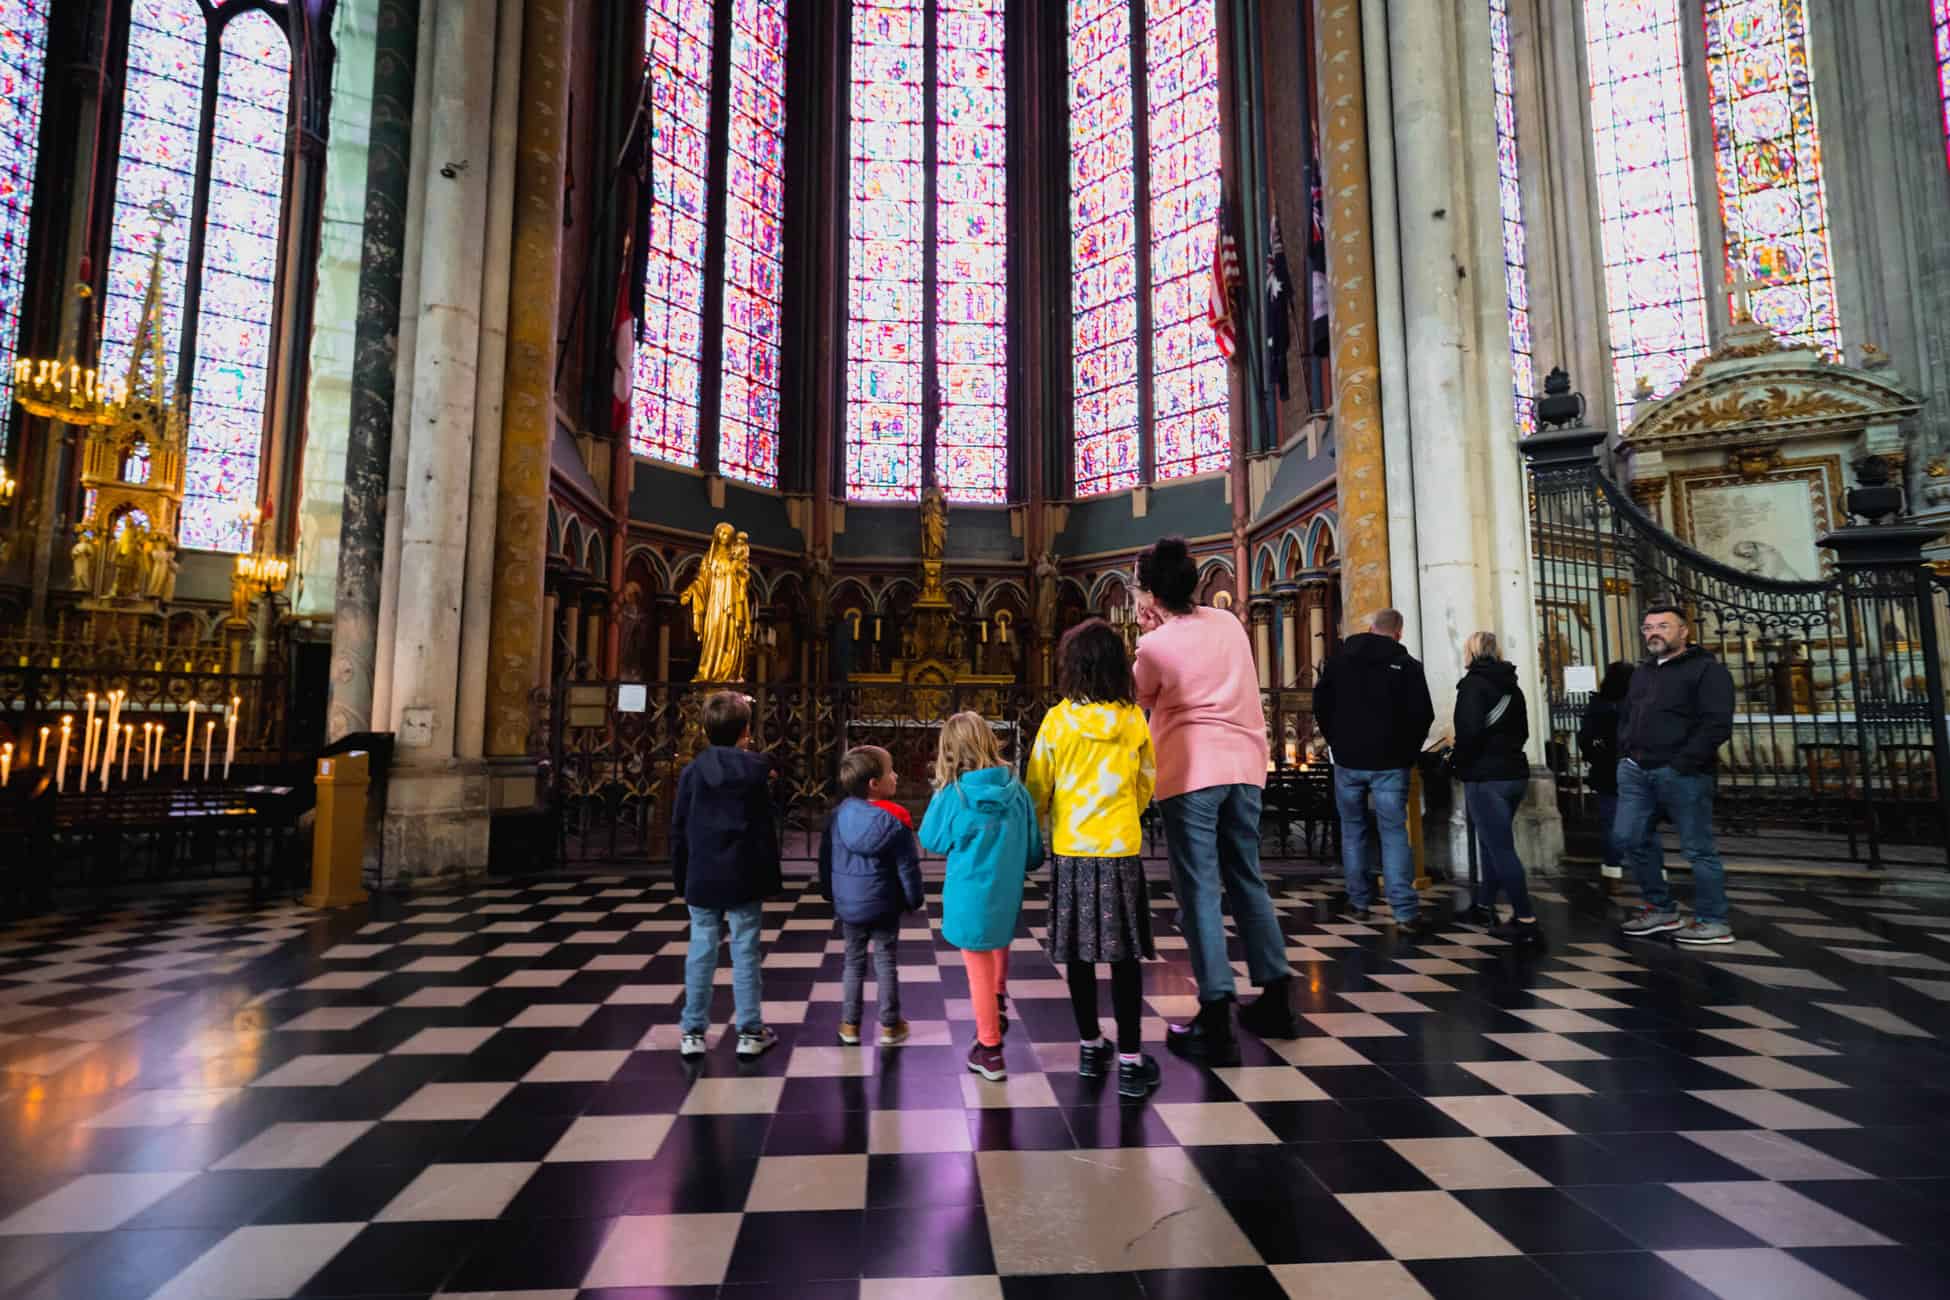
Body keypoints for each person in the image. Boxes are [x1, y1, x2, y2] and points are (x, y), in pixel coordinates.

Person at [1132, 537, 1294, 1068]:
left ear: (1151, 592)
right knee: (1247, 878)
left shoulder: (1154, 649)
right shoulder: (1229, 625)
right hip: (1246, 769)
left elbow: (1137, 697)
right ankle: (1276, 997)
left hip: (1192, 774)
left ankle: (1216, 1010)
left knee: (1200, 890)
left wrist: (1149, 635)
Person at [1026, 619, 1162, 1099]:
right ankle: (1129, 1060)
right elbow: (1147, 780)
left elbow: (1037, 786)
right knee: (1125, 957)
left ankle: (1089, 1045)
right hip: (1120, 849)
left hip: (1073, 851)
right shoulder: (1131, 720)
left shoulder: (1058, 721)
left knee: (1080, 956)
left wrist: (1045, 819)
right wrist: (1126, 813)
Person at [919, 711, 1041, 1082]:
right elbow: (1035, 848)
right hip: (1006, 889)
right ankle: (999, 998)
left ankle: (989, 1049)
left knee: (976, 966)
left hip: (969, 893)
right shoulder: (1016, 789)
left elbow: (931, 839)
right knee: (999, 940)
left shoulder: (953, 793)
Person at [1616, 603, 1736, 945]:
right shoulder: (1643, 672)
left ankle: (1714, 920)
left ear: (1684, 631)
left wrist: (1683, 762)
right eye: (1648, 627)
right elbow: (1627, 715)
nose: (1654, 632)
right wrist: (1624, 754)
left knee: (1698, 848)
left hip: (1682, 772)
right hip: (1636, 771)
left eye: (1663, 626)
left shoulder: (1706, 671)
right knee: (1630, 838)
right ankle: (1661, 909)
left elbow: (1716, 724)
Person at [670, 691, 780, 1059]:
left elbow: (679, 827)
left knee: (701, 949)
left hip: (702, 873)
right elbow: (765, 829)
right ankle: (749, 1031)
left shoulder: (692, 772)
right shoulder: (757, 773)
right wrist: (770, 877)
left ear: (704, 729)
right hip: (744, 873)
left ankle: (692, 1032)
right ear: (747, 730)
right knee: (746, 951)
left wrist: (680, 875)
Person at [1314, 609, 1436, 931]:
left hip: (1348, 761)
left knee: (1353, 831)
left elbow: (1321, 705)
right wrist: (1406, 752)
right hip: (1390, 763)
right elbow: (1423, 714)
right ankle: (1404, 911)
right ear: (1399, 633)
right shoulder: (1408, 667)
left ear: (1370, 628)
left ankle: (1359, 902)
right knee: (1394, 833)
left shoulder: (1339, 662)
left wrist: (1336, 743)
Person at [819, 745, 923, 1047]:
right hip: (884, 903)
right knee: (886, 962)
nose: (897, 775)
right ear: (874, 784)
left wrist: (830, 892)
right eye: (891, 770)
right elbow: (908, 867)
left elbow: (826, 860)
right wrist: (914, 898)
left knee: (853, 962)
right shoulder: (897, 820)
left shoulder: (838, 816)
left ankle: (849, 1025)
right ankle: (890, 1026)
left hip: (848, 904)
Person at [1452, 631, 1538, 943]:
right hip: (1514, 773)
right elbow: (1525, 730)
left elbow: (1468, 733)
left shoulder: (1473, 685)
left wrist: (1458, 764)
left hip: (1486, 777)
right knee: (1491, 842)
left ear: (1471, 652)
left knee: (1500, 848)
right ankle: (1485, 904)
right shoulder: (1512, 686)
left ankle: (1526, 918)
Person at [1578, 662, 1636, 882]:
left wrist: (1595, 757)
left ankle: (1613, 873)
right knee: (1644, 821)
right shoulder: (1637, 704)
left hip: (1607, 770)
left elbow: (1585, 739)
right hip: (1636, 768)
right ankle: (1651, 869)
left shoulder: (1598, 705)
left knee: (1611, 822)